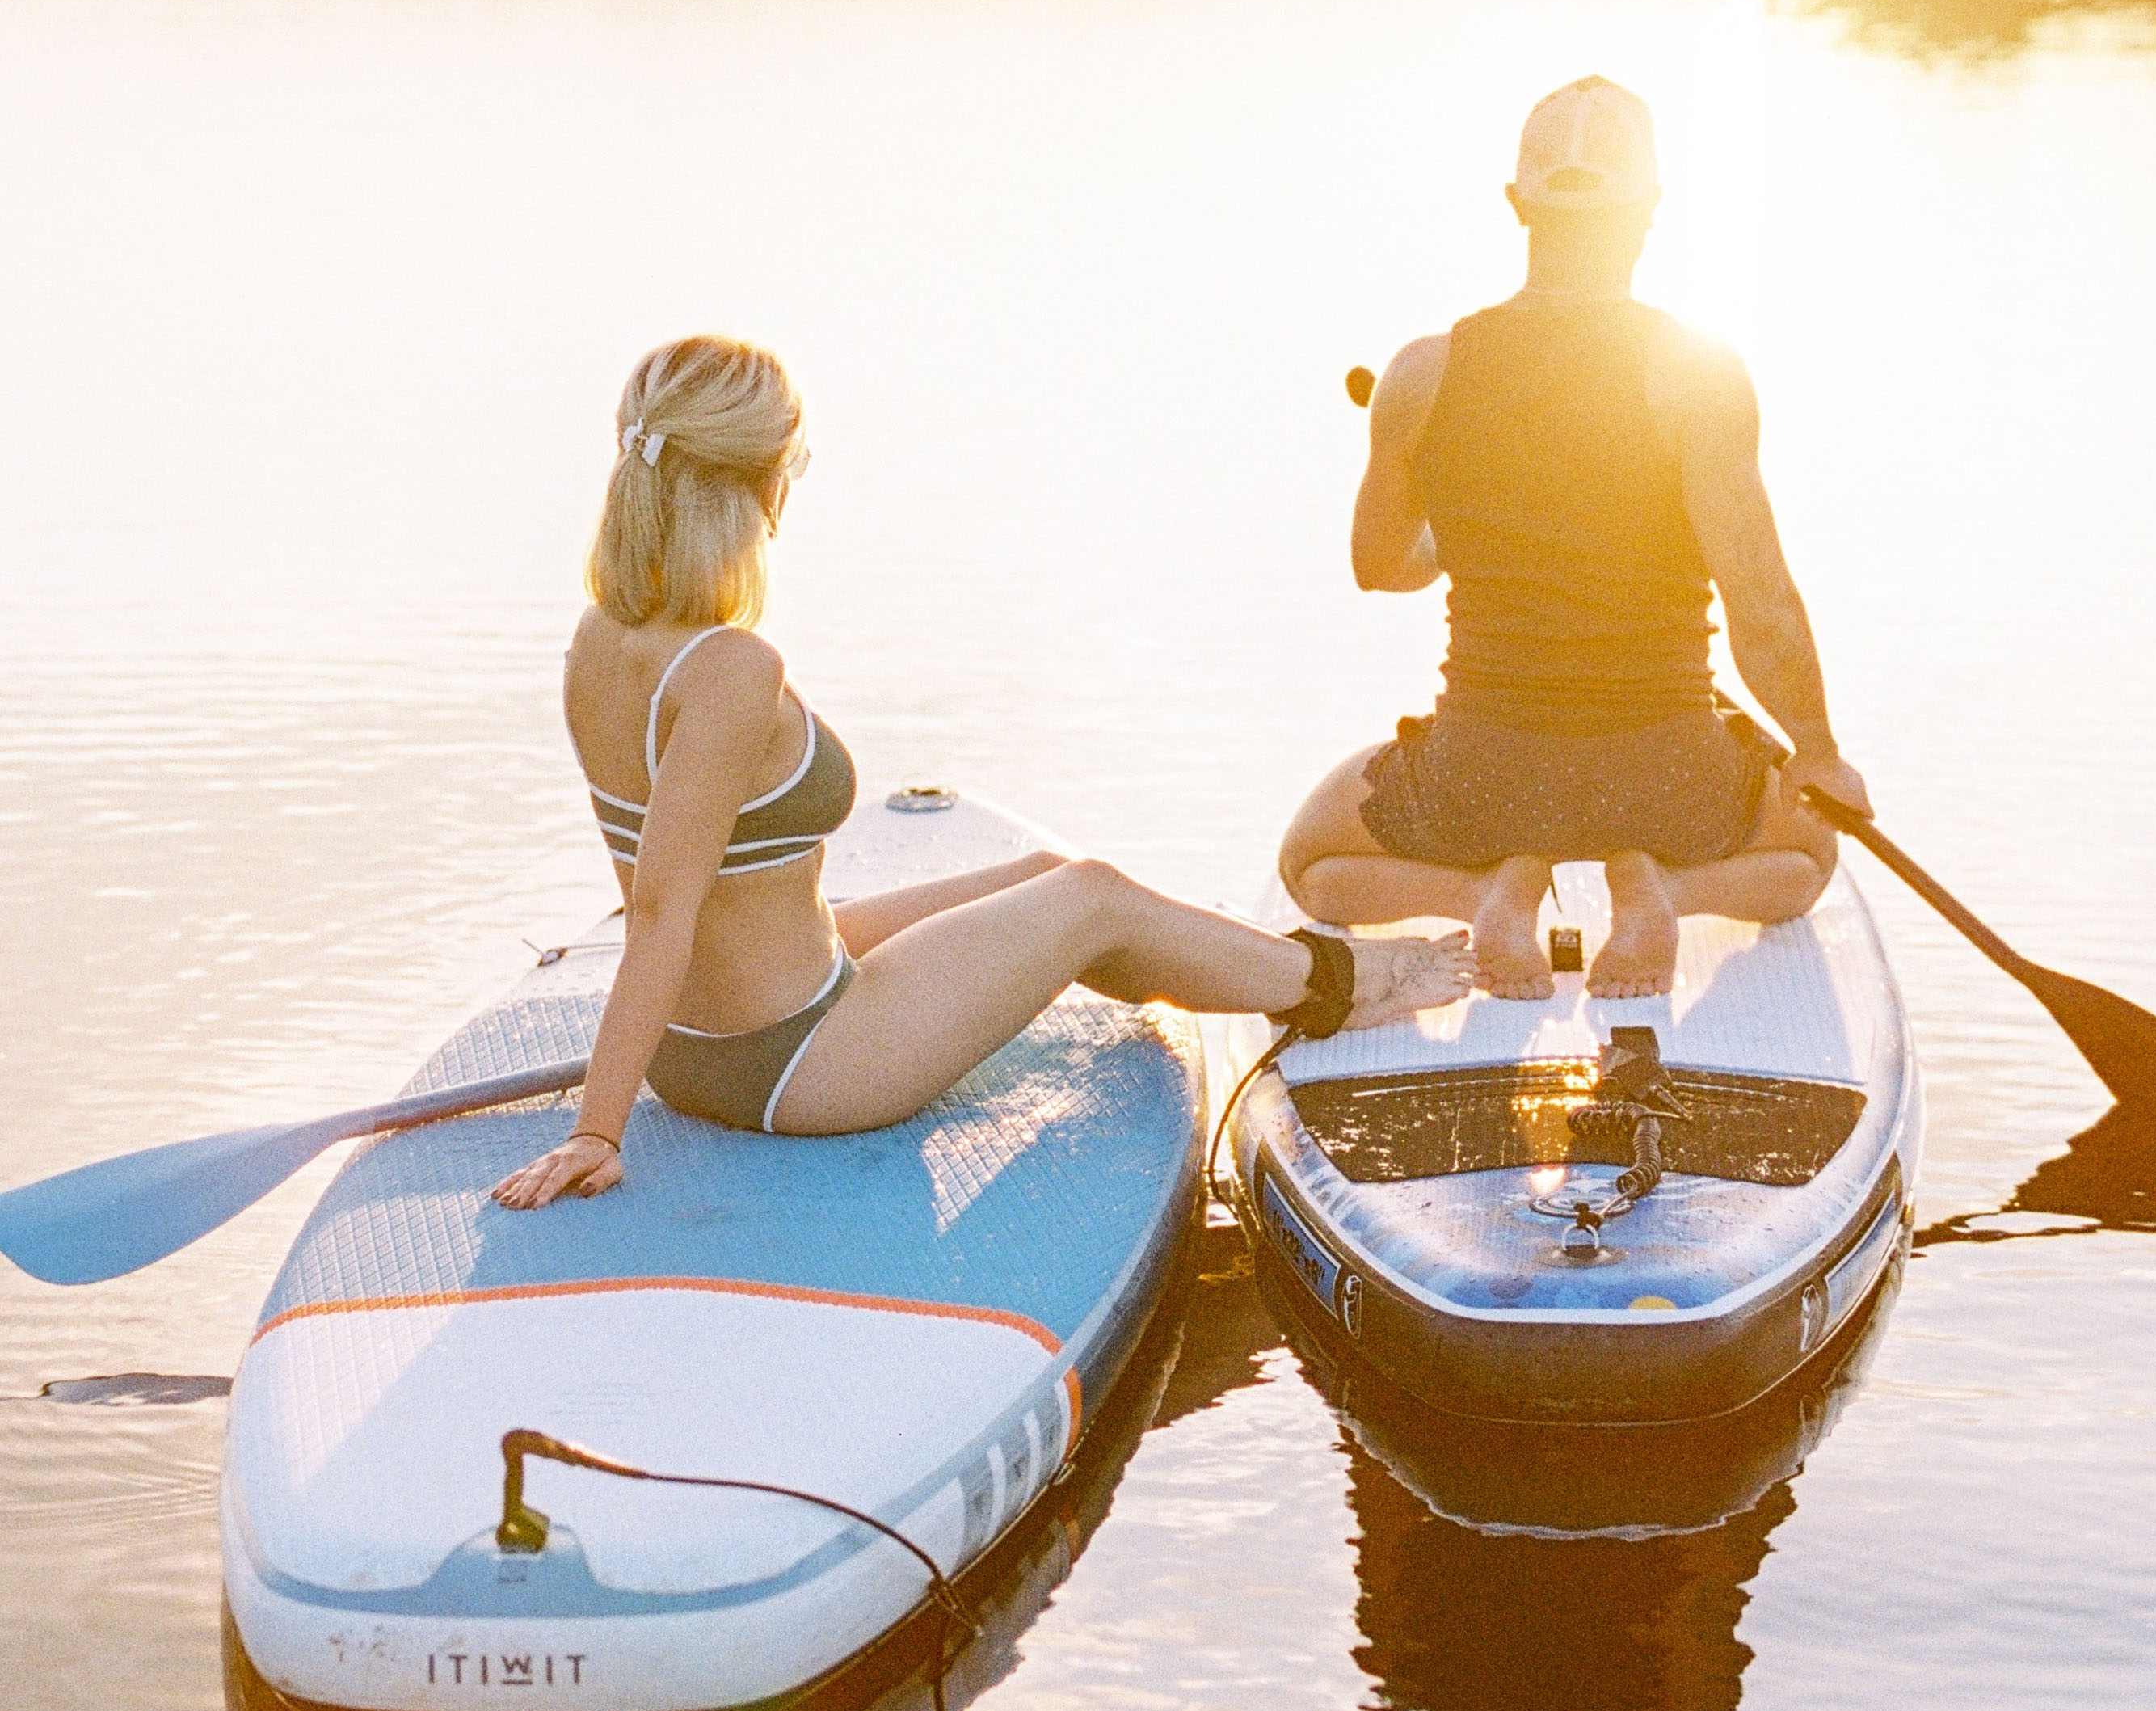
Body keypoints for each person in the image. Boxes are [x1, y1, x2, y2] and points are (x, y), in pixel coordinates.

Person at [493, 335, 1476, 1207]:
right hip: (797, 1061)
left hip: (702, 1043)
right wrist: (595, 1131)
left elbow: (668, 890)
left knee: (1048, 873)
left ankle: (1208, 963)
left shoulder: (600, 640)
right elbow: (661, 912)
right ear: (763, 480)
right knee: (1091, 898)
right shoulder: (730, 669)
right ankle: (1336, 981)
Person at [1278, 76, 1869, 1002]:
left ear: (1517, 203)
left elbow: (1380, 566)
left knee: (1311, 859)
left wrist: (1457, 536)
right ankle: (1666, 885)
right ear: (1651, 210)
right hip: (1671, 774)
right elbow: (1761, 601)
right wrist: (1817, 750)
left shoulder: (1421, 374)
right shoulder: (1698, 374)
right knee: (1807, 858)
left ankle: (1484, 888)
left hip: (1482, 774)